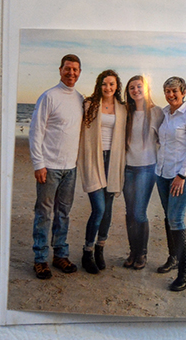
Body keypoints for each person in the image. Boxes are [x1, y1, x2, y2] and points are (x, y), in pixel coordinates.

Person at [29, 54, 84, 280]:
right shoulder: (48, 96)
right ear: (60, 70)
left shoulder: (80, 99)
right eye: (67, 69)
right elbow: (35, 131)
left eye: (75, 69)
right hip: (48, 167)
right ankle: (40, 259)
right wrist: (38, 164)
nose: (71, 73)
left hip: (70, 168)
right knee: (44, 214)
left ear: (80, 72)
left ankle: (60, 255)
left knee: (63, 214)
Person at [77, 70, 127, 273]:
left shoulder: (123, 109)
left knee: (108, 209)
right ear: (99, 85)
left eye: (112, 84)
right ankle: (87, 251)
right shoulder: (90, 105)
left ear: (117, 87)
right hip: (94, 159)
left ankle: (100, 248)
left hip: (113, 161)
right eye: (105, 84)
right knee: (98, 208)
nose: (108, 88)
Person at [155, 77, 186, 291]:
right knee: (168, 217)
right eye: (166, 91)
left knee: (176, 219)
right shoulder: (164, 113)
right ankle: (173, 258)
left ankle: (185, 273)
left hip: (180, 175)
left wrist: (182, 175)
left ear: (183, 91)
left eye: (174, 90)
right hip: (162, 173)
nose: (170, 94)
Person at [122, 75, 162, 270]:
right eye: (132, 87)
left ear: (146, 89)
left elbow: (168, 138)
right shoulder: (125, 112)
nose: (136, 90)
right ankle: (132, 251)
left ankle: (142, 253)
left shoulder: (156, 113)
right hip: (128, 169)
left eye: (139, 86)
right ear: (128, 92)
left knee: (139, 212)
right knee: (129, 213)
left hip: (147, 169)